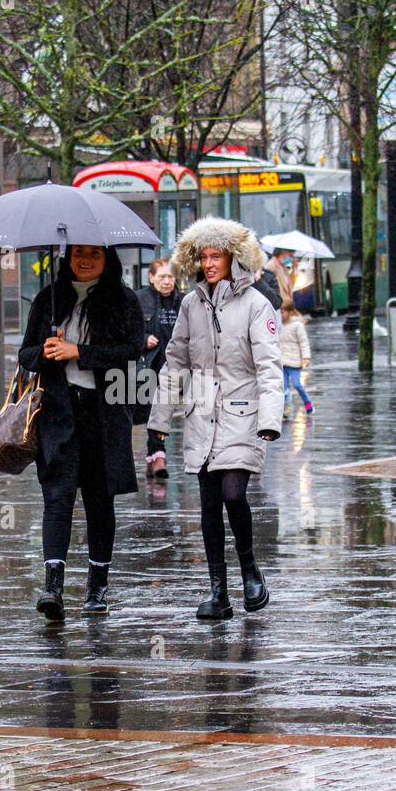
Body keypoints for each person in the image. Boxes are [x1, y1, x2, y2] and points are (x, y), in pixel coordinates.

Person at [148, 218, 284, 621]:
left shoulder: (257, 304)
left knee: (233, 493)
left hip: (244, 412)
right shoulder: (191, 304)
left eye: (216, 256)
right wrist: (160, 420)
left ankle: (249, 567)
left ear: (233, 258)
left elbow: (270, 367)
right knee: (208, 506)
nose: (209, 263)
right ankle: (218, 591)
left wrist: (270, 419)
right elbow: (174, 363)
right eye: (203, 256)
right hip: (201, 412)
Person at [18, 244, 145, 621]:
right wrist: (45, 351)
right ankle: (53, 586)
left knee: (98, 498)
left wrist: (80, 352)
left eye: (94, 254)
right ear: (67, 257)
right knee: (56, 497)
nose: (85, 260)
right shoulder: (48, 299)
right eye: (78, 254)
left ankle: (97, 585)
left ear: (108, 260)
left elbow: (133, 349)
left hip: (103, 414)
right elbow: (25, 354)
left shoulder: (123, 301)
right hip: (58, 414)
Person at [135, 257, 184, 478]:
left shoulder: (184, 301)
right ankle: (157, 455)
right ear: (151, 277)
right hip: (148, 367)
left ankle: (155, 456)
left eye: (170, 276)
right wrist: (143, 339)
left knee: (162, 411)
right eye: (162, 276)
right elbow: (126, 331)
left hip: (175, 367)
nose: (166, 281)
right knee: (153, 411)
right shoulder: (139, 300)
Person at [279, 300, 313, 417]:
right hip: (282, 362)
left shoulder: (297, 326)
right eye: (279, 312)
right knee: (284, 388)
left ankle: (308, 404)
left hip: (294, 362)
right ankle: (287, 410)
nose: (280, 315)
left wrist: (306, 357)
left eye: (283, 312)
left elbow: (303, 342)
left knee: (297, 385)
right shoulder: (277, 325)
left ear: (290, 312)